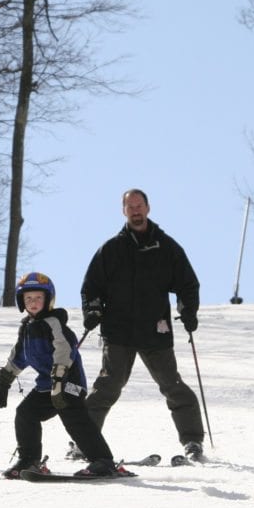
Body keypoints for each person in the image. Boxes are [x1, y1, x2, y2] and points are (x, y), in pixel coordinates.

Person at [78, 188, 206, 462]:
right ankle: (83, 442)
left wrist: (188, 311)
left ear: (148, 208)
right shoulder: (111, 249)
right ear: (123, 211)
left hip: (154, 330)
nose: (135, 211)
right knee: (107, 387)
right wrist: (92, 311)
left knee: (172, 385)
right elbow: (91, 287)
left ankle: (193, 441)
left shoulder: (166, 246)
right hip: (119, 330)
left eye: (139, 205)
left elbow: (187, 284)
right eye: (130, 207)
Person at [0, 272, 127, 479]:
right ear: (21, 302)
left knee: (73, 417)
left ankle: (103, 461)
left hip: (69, 382)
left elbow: (64, 349)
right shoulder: (27, 328)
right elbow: (19, 356)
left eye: (38, 298)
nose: (33, 302)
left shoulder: (53, 323)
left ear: (48, 300)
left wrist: (59, 377)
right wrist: (3, 384)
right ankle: (29, 460)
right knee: (26, 413)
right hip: (47, 385)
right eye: (28, 298)